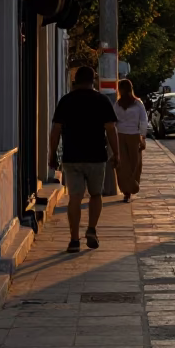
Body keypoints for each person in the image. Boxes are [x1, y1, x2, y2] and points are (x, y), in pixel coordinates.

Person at [48, 65, 120, 253]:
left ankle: (73, 240)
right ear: (93, 79)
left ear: (75, 80)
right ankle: (91, 229)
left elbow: (55, 130)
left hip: (72, 157)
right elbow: (111, 129)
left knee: (75, 197)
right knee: (96, 195)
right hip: (96, 156)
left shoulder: (66, 101)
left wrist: (51, 154)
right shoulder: (102, 101)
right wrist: (116, 153)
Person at [115, 78, 148, 201]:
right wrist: (143, 137)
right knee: (133, 164)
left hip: (123, 135)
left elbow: (113, 122)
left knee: (125, 164)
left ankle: (127, 190)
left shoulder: (118, 104)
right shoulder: (137, 104)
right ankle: (130, 188)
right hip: (131, 135)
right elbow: (143, 121)